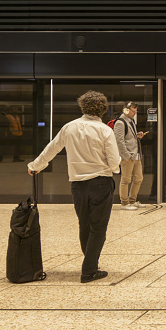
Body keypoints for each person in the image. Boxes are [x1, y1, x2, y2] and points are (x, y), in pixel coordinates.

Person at [28, 90, 121, 283]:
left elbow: (51, 149)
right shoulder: (105, 130)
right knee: (98, 227)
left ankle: (90, 263)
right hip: (101, 183)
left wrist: (35, 166)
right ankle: (89, 269)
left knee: (84, 224)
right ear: (103, 110)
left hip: (77, 185)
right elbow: (113, 161)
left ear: (82, 107)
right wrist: (117, 168)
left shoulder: (69, 127)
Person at [114, 102, 147, 210]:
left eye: (136, 111)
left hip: (135, 155)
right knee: (126, 180)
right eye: (133, 111)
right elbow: (119, 141)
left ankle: (132, 200)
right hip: (128, 156)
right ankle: (124, 202)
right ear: (126, 110)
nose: (135, 113)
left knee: (138, 178)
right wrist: (126, 156)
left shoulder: (131, 121)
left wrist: (137, 136)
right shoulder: (120, 122)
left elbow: (128, 138)